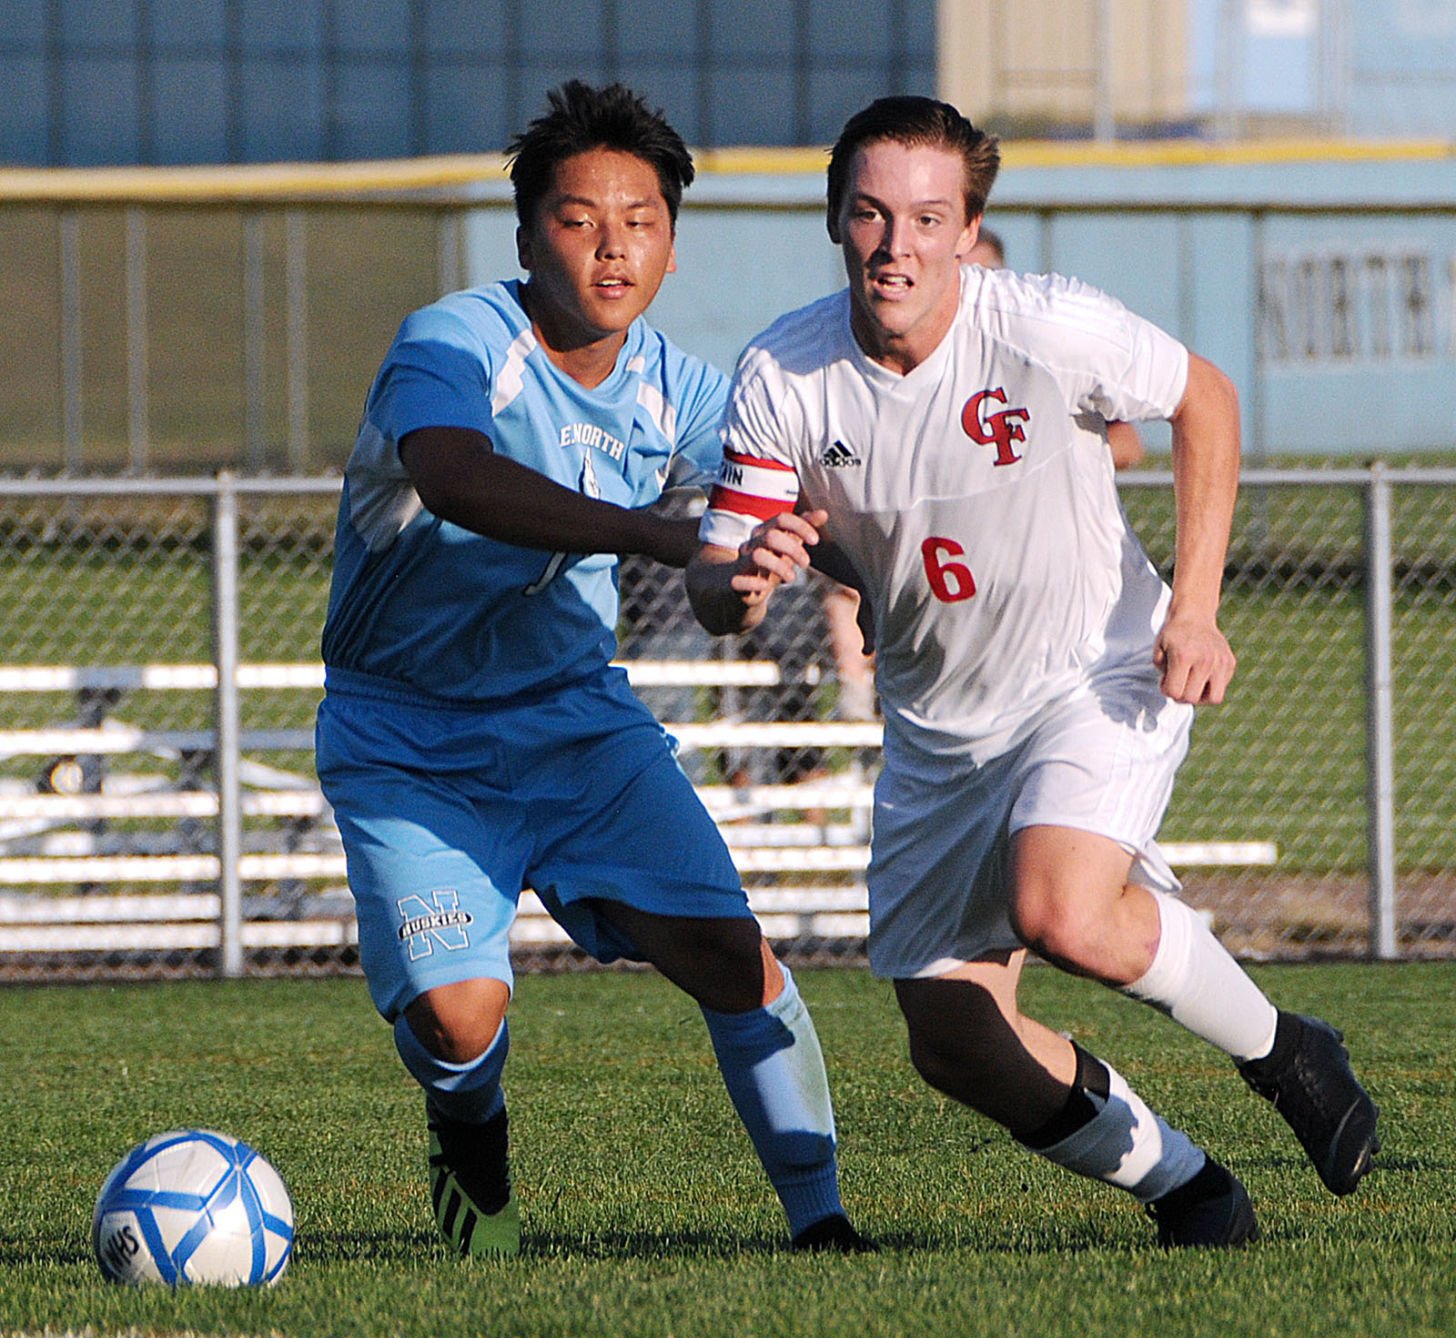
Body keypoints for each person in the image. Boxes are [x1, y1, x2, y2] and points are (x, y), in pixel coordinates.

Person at [687, 95, 1379, 1248]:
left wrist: (1196, 611)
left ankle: (1283, 1051)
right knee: (953, 1041)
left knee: (1058, 905)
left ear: (968, 230)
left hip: (1094, 672)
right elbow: (718, 579)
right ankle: (1189, 1188)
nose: (895, 245)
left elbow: (1205, 398)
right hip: (938, 731)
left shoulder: (1045, 324)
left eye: (926, 218)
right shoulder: (783, 374)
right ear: (835, 221)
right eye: (869, 214)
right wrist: (741, 579)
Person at [315, 80, 869, 1258]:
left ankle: (822, 1227)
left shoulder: (684, 388)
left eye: (642, 218)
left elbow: (768, 518)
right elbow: (460, 479)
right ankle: (469, 1137)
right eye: (577, 217)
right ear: (525, 238)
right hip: (407, 736)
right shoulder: (453, 342)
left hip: (575, 725)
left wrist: (766, 567)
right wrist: (664, 533)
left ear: (672, 244)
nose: (612, 243)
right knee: (462, 1020)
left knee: (734, 955)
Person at [968, 225, 1145, 473]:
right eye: (965, 274)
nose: (977, 289)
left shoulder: (1043, 346)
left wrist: (1042, 468)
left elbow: (1127, 444)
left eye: (988, 274)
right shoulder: (921, 359)